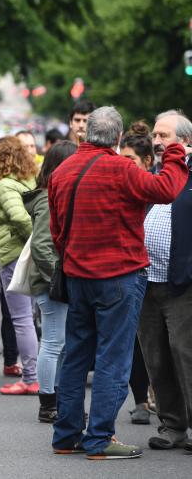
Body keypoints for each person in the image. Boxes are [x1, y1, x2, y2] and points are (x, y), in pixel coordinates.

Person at [48, 106, 187, 459]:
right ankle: (99, 438)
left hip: (77, 276)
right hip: (118, 277)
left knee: (77, 355)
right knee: (114, 357)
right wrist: (173, 152)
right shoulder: (121, 168)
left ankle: (66, 435)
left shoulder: (62, 172)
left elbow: (56, 232)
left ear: (85, 134)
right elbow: (167, 188)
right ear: (119, 137)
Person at [137, 110, 192, 451]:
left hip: (182, 285)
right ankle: (172, 426)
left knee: (185, 354)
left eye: (165, 136)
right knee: (155, 357)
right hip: (146, 281)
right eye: (155, 136)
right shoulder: (153, 174)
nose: (157, 141)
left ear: (186, 142)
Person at [22, 140, 78, 422]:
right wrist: (59, 275)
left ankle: (53, 398)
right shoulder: (47, 197)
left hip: (51, 278)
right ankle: (48, 403)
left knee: (58, 342)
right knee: (54, 342)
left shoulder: (49, 193)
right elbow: (42, 246)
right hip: (51, 280)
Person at [0, 136, 40, 395]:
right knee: (29, 318)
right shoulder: (30, 180)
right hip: (28, 256)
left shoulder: (6, 185)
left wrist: (33, 238)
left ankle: (30, 379)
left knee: (21, 320)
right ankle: (35, 376)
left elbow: (20, 218)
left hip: (14, 256)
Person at [119, 122, 155, 425]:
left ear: (147, 161)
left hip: (165, 274)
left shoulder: (160, 186)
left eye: (128, 160)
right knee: (134, 341)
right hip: (132, 273)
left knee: (162, 342)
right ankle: (141, 401)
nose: (122, 166)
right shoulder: (120, 187)